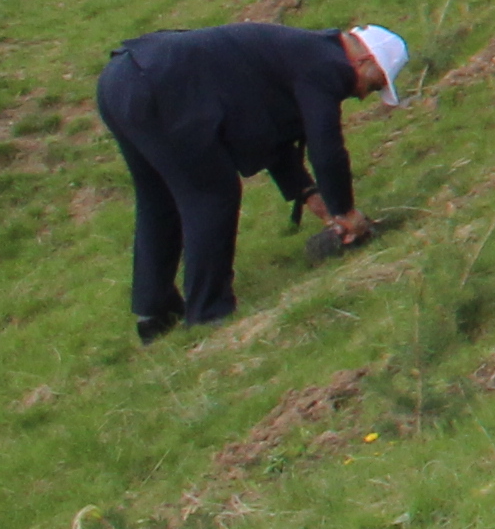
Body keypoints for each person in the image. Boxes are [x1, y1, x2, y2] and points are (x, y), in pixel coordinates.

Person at [92, 20, 405, 339]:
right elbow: (326, 146)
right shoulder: (329, 66)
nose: (366, 95)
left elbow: (269, 135)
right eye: (377, 83)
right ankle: (208, 312)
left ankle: (154, 314)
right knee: (212, 193)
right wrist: (344, 210)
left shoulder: (303, 51)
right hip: (160, 85)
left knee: (158, 197)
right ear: (365, 60)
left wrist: (309, 193)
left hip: (120, 79)